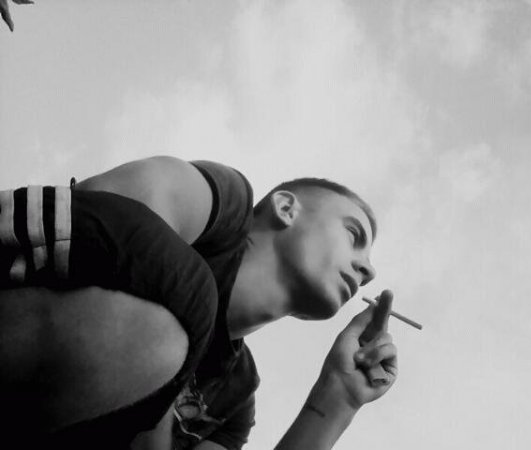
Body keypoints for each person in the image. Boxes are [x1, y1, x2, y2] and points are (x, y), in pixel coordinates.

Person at [0, 156, 398, 449]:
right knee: (187, 300)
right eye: (354, 235)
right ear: (286, 208)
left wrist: (338, 397)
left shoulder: (235, 395)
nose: (368, 269)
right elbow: (100, 206)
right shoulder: (223, 206)